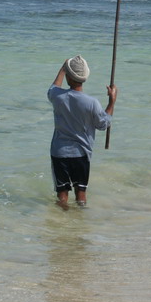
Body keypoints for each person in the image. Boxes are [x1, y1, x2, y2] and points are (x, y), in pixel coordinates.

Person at [47, 55, 117, 208]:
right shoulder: (91, 102)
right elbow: (103, 124)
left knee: (62, 196)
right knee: (81, 194)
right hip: (81, 154)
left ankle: (61, 220)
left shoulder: (57, 96)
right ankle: (80, 218)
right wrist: (112, 101)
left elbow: (52, 88)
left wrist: (63, 68)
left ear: (68, 76)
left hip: (59, 153)